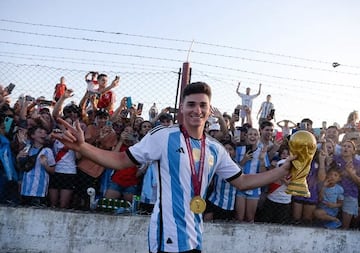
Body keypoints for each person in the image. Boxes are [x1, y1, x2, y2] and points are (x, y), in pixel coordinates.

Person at [53, 82, 294, 253]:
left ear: (209, 111)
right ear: (182, 108)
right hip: (166, 234)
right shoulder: (163, 137)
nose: (196, 110)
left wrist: (281, 171)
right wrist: (83, 148)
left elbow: (243, 181)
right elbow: (120, 161)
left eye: (202, 105)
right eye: (191, 104)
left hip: (195, 234)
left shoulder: (215, 149)